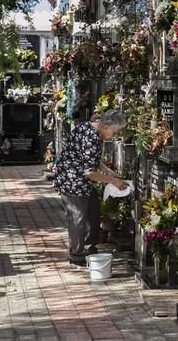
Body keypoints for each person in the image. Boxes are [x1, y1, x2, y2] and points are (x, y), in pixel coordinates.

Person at [54, 109, 127, 266]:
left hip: (82, 181)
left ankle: (89, 249)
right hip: (73, 181)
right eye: (115, 132)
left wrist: (106, 170)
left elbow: (88, 157)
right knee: (78, 219)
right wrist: (113, 181)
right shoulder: (91, 138)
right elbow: (89, 173)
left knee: (93, 215)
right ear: (106, 126)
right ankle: (77, 255)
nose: (115, 136)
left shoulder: (91, 128)